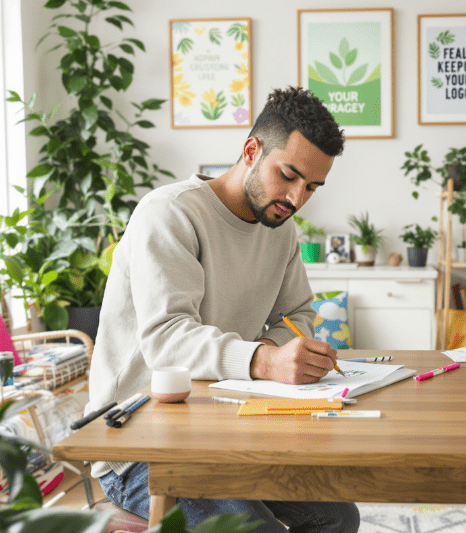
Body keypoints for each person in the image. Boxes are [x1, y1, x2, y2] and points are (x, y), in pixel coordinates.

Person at [86, 86, 358, 533]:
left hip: (225, 425)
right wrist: (265, 360)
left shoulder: (280, 230)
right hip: (136, 442)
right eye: (288, 175)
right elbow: (167, 340)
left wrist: (276, 349)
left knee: (338, 516)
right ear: (251, 150)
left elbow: (301, 313)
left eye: (311, 186)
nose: (296, 199)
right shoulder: (169, 214)